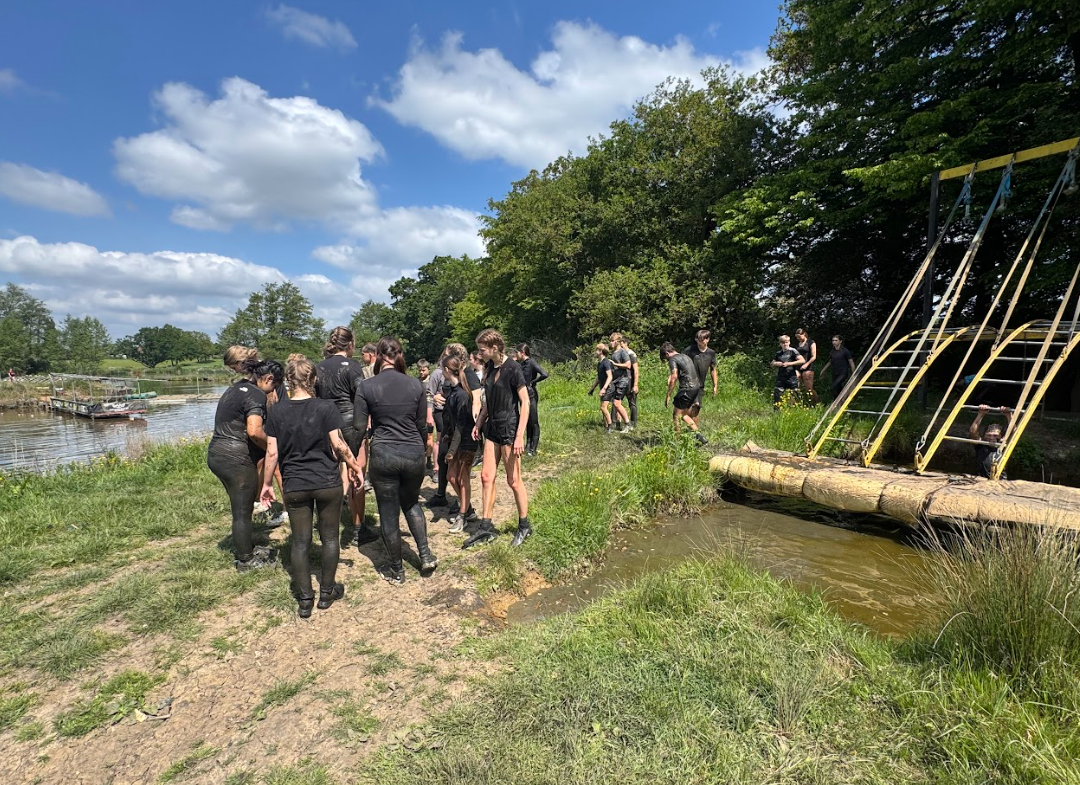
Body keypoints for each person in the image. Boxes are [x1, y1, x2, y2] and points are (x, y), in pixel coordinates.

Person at [261, 357, 362, 617]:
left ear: (288, 381)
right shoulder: (326, 407)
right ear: (313, 379)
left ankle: (305, 599)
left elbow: (272, 452)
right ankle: (327, 592)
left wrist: (266, 483)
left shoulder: (277, 411)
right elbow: (338, 444)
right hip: (326, 481)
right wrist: (355, 466)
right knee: (330, 538)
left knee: (300, 542)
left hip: (295, 484)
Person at [353, 337, 437, 585]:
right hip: (413, 453)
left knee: (388, 513)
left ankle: (396, 570)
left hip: (384, 455)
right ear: (399, 355)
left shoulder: (367, 387)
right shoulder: (416, 385)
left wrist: (351, 458)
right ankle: (425, 555)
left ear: (378, 356)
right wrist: (423, 451)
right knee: (411, 503)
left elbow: (358, 428)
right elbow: (422, 425)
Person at [208, 350, 283, 571]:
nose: (273, 391)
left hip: (217, 453)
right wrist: (272, 446)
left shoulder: (234, 388)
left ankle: (247, 547)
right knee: (242, 510)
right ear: (268, 379)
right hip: (236, 458)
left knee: (242, 506)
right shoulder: (256, 394)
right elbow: (254, 431)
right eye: (275, 386)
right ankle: (246, 560)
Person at [465, 328, 531, 548]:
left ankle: (524, 526)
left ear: (494, 348)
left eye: (482, 349)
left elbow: (525, 402)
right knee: (486, 477)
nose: (480, 353)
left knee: (513, 481)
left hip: (509, 429)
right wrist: (478, 423)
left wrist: (519, 436)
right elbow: (488, 401)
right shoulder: (490, 367)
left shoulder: (513, 368)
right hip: (492, 428)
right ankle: (486, 527)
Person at [315, 327, 367, 541]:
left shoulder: (319, 367)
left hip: (326, 424)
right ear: (351, 344)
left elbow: (315, 397)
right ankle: (359, 527)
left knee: (331, 473)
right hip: (350, 423)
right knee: (357, 472)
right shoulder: (353, 366)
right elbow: (362, 397)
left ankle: (328, 524)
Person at [441, 356, 478, 533]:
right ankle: (468, 509)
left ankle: (462, 516)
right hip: (455, 440)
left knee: (463, 479)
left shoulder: (462, 395)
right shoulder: (453, 392)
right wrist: (447, 435)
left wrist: (451, 450)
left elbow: (462, 425)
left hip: (467, 442)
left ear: (447, 370)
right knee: (451, 477)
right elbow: (452, 420)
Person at [660, 342, 707, 445]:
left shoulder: (673, 359)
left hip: (686, 389)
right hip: (696, 387)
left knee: (676, 415)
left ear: (667, 353)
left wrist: (668, 395)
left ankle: (677, 442)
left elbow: (674, 377)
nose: (667, 360)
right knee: (684, 415)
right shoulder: (685, 356)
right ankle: (699, 437)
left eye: (666, 358)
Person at [517, 343, 548, 454]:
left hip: (531, 394)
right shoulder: (521, 364)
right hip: (523, 395)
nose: (516, 354)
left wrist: (533, 382)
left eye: (517, 352)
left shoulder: (531, 362)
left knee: (534, 421)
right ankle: (528, 445)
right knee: (527, 420)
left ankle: (533, 449)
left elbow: (544, 374)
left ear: (522, 352)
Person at [969, 404, 1012, 479]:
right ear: (984, 435)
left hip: (1000, 480)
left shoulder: (1003, 445)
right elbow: (973, 432)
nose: (991, 438)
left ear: (1001, 437)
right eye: (989, 435)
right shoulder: (981, 444)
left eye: (995, 435)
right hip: (981, 479)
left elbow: (1014, 433)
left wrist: (1009, 415)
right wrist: (980, 414)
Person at [610, 333, 640, 429]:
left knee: (631, 402)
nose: (611, 343)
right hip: (618, 380)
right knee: (617, 402)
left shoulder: (630, 354)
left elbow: (635, 370)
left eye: (613, 341)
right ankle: (616, 423)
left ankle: (632, 423)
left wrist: (635, 384)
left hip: (628, 380)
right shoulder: (615, 353)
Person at [588, 343, 620, 433]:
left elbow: (610, 376)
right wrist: (592, 388)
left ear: (601, 351)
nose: (595, 351)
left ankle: (610, 427)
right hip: (603, 387)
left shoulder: (606, 362)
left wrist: (604, 388)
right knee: (605, 408)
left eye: (596, 350)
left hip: (608, 388)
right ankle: (608, 426)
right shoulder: (599, 363)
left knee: (603, 407)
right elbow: (599, 378)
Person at [683, 329, 718, 404]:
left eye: (702, 340)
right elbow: (680, 361)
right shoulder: (690, 350)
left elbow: (713, 370)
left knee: (696, 407)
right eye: (698, 340)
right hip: (688, 384)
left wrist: (715, 386)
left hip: (700, 386)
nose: (699, 342)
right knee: (694, 405)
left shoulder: (711, 353)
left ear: (707, 340)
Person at [771, 335, 804, 408]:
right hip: (781, 377)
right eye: (783, 343)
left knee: (795, 394)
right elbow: (772, 363)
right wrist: (776, 363)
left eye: (786, 342)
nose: (785, 344)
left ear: (789, 342)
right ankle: (777, 411)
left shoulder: (793, 351)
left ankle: (798, 410)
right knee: (777, 394)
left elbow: (802, 360)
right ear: (780, 344)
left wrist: (790, 364)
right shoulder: (778, 353)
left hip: (791, 376)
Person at [794, 328, 820, 406]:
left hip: (808, 367)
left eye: (799, 336)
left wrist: (806, 364)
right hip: (798, 366)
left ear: (804, 334)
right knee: (794, 385)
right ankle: (795, 403)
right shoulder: (797, 344)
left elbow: (814, 356)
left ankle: (816, 403)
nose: (798, 338)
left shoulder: (811, 342)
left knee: (808, 388)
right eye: (797, 337)